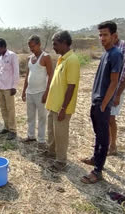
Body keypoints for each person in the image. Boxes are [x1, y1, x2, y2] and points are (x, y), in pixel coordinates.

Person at [81, 21, 123, 184]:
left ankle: (98, 170)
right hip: (96, 100)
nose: (102, 38)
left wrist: (105, 104)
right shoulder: (106, 54)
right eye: (100, 35)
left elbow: (114, 81)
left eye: (105, 35)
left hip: (102, 103)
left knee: (103, 135)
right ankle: (96, 158)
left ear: (114, 36)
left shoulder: (115, 54)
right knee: (98, 133)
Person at [43, 31, 80, 171]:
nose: (53, 47)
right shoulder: (62, 59)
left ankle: (61, 161)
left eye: (55, 44)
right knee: (52, 132)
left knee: (61, 134)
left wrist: (63, 108)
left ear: (64, 43)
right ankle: (52, 152)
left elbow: (71, 86)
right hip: (53, 105)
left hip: (61, 107)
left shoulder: (72, 60)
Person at [21, 35, 53, 145]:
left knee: (42, 117)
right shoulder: (29, 58)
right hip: (30, 92)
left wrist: (47, 92)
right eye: (30, 46)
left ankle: (42, 139)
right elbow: (27, 75)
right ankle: (31, 136)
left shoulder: (45, 57)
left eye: (33, 46)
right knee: (30, 116)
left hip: (41, 92)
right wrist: (24, 90)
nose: (31, 48)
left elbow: (50, 75)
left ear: (39, 44)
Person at [108, 34, 125, 155]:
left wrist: (117, 95)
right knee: (105, 117)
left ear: (114, 36)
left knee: (111, 118)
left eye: (106, 35)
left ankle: (113, 145)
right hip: (107, 88)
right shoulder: (111, 49)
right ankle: (106, 141)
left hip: (117, 90)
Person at [0, 38, 20, 140]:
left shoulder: (12, 55)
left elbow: (16, 72)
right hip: (1, 87)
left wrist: (14, 86)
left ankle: (13, 130)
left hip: (9, 87)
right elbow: (1, 71)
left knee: (10, 109)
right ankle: (6, 127)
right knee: (3, 108)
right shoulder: (0, 57)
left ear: (4, 46)